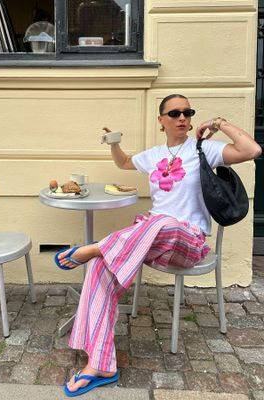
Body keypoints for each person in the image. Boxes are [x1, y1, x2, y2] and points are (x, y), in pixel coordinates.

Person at [55, 94, 262, 397]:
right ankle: (100, 364)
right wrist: (112, 143)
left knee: (160, 222)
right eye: (175, 113)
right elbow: (125, 162)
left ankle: (95, 247)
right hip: (148, 241)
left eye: (187, 112)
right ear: (161, 120)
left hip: (187, 242)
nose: (183, 118)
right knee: (104, 264)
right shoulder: (153, 155)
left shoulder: (205, 149)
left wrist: (218, 123)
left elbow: (252, 150)